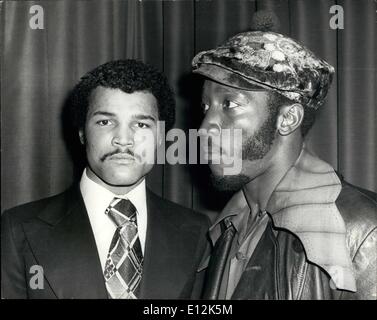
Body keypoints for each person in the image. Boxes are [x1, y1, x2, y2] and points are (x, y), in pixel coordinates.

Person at [191, 29, 377, 299]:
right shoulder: (221, 231)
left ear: (288, 118)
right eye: (206, 108)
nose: (204, 127)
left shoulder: (363, 231)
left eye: (230, 104)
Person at [1, 59, 210, 299]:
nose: (123, 139)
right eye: (105, 122)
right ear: (82, 132)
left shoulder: (197, 232)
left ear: (161, 136)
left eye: (141, 124)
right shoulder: (18, 229)